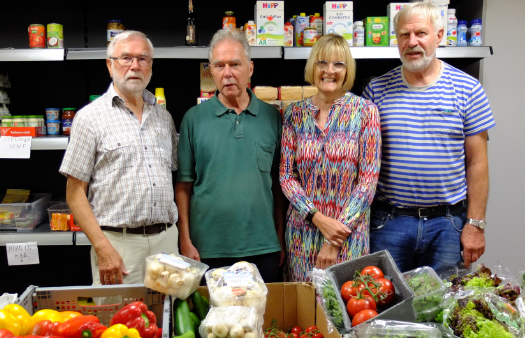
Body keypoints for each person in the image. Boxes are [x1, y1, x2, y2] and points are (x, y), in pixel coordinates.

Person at [362, 3, 495, 273]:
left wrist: (476, 224)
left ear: (440, 35)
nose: (412, 42)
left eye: (421, 33)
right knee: (388, 306)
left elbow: (477, 162)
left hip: (447, 225)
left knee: (442, 308)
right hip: (389, 223)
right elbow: (363, 162)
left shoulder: (467, 88)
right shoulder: (376, 90)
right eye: (404, 35)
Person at [59, 31, 179, 286]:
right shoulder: (89, 118)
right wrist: (103, 248)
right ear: (109, 63)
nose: (135, 66)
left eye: (142, 59)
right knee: (118, 322)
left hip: (166, 241)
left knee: (170, 319)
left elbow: (174, 176)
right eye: (126, 58)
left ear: (151, 65)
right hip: (119, 245)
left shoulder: (163, 118)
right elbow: (74, 192)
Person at [175, 29, 285, 282]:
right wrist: (185, 238)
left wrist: (280, 234)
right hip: (207, 249)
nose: (227, 73)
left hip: (263, 247)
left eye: (235, 64)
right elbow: (184, 185)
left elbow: (279, 185)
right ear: (211, 70)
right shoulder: (193, 119)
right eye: (219, 65)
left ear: (250, 67)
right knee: (214, 322)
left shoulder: (272, 118)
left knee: (263, 320)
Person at [279, 34, 381, 282]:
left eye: (339, 64)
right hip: (302, 232)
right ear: (312, 66)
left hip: (348, 234)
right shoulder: (294, 114)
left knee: (348, 308)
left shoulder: (365, 111)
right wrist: (317, 218)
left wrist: (334, 237)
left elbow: (367, 181)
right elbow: (286, 176)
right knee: (304, 310)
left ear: (348, 70)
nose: (329, 70)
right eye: (322, 63)